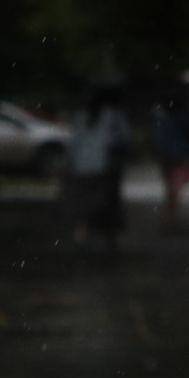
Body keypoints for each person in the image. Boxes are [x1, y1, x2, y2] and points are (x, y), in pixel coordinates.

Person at [65, 85, 130, 255]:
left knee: (83, 208)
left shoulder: (81, 117)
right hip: (103, 169)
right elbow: (124, 138)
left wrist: (71, 163)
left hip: (82, 169)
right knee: (107, 206)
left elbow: (73, 145)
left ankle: (80, 239)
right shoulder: (113, 116)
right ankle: (110, 241)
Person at [156, 85, 189, 227]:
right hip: (180, 155)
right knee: (174, 191)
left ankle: (170, 219)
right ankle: (173, 220)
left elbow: (160, 140)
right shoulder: (183, 118)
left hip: (169, 156)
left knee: (171, 190)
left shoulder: (164, 118)